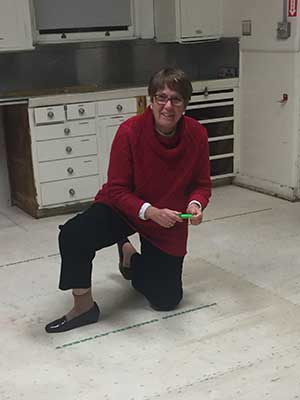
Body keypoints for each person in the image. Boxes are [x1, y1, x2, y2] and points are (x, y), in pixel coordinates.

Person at [45, 67, 211, 333]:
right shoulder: (130, 131)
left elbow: (201, 184)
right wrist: (149, 211)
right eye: (161, 97)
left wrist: (195, 204)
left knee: (167, 300)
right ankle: (83, 307)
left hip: (166, 216)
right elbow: (117, 190)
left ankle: (130, 258)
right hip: (124, 207)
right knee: (74, 234)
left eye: (176, 99)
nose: (168, 106)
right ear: (150, 100)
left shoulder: (197, 135)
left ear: (185, 104)